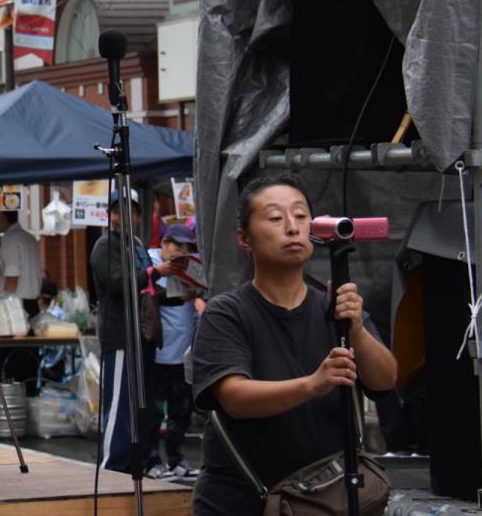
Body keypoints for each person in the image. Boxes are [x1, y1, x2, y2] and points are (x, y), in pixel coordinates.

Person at [190, 174, 398, 514]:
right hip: (242, 501)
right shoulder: (226, 313)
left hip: (326, 499)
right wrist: (313, 384)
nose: (291, 227)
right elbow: (234, 398)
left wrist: (357, 329)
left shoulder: (334, 305)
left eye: (301, 216)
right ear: (244, 239)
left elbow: (384, 380)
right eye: (274, 218)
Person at [89, 188, 184, 475]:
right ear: (111, 215)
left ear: (139, 214)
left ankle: (136, 464)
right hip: (120, 337)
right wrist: (158, 272)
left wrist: (182, 296)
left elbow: (147, 290)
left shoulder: (138, 244)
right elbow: (120, 284)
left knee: (141, 408)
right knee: (119, 406)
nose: (124, 215)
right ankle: (112, 466)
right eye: (118, 210)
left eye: (130, 209)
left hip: (143, 337)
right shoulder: (105, 245)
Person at [145, 223, 201, 480]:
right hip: (157, 354)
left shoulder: (191, 266)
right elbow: (146, 293)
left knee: (181, 411)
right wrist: (180, 297)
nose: (177, 251)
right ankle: (151, 460)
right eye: (173, 245)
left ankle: (177, 460)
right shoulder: (151, 261)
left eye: (183, 247)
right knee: (155, 411)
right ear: (164, 244)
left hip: (184, 354)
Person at [0, 210, 42, 321]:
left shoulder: (10, 238)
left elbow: (12, 276)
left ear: (3, 217)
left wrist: (9, 306)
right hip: (33, 301)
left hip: (18, 304)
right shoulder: (30, 237)